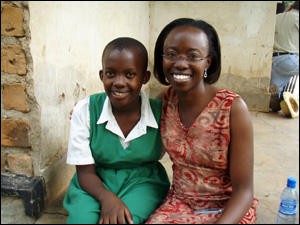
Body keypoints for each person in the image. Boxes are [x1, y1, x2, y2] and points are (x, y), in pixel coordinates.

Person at [145, 18, 258, 224]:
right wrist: (90, 112)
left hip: (228, 207)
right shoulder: (165, 100)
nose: (180, 63)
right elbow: (129, 117)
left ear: (208, 61)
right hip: (179, 203)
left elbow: (244, 190)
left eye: (193, 56)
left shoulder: (232, 109)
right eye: (171, 54)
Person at [63, 37, 170, 224]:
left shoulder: (162, 114)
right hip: (94, 180)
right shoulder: (86, 110)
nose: (119, 82)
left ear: (144, 77)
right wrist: (106, 197)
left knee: (126, 220)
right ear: (102, 75)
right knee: (82, 221)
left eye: (130, 75)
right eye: (111, 74)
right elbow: (85, 173)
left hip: (143, 181)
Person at [269, 1, 299, 112]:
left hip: (274, 62)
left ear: (291, 7)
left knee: (277, 88)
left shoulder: (277, 17)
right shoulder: (297, 18)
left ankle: (275, 101)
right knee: (289, 68)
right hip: (289, 60)